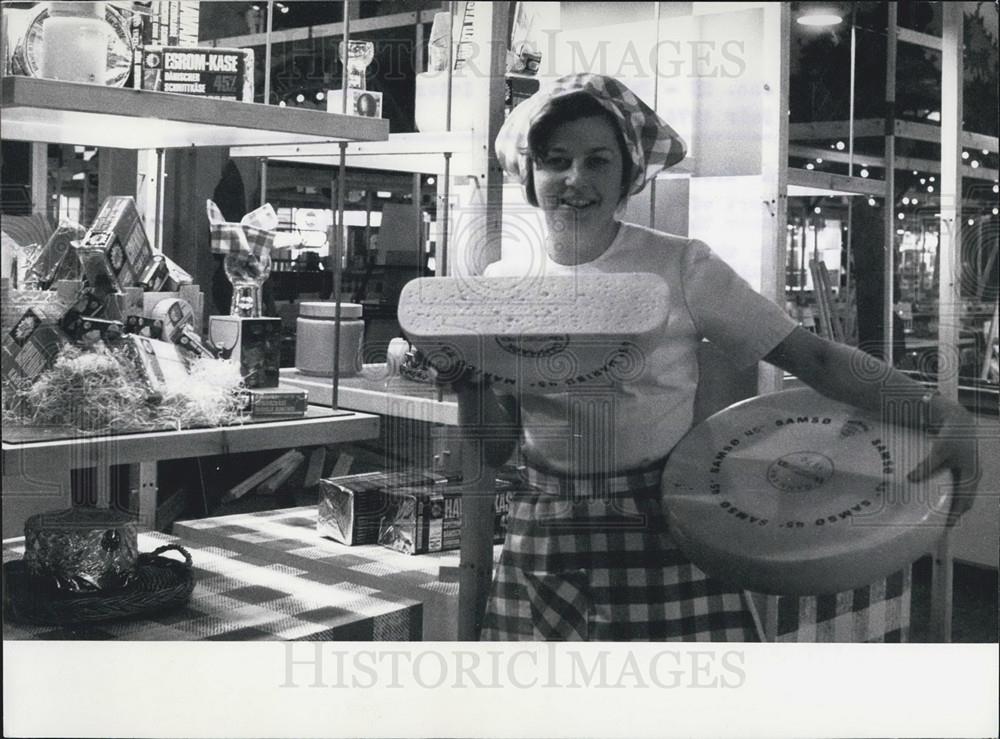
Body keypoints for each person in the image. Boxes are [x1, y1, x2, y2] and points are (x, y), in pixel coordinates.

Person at [459, 73, 980, 641]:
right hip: (544, 530)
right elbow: (494, 447)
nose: (574, 179)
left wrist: (936, 412)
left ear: (629, 174)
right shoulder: (502, 283)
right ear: (530, 174)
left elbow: (814, 358)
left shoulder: (680, 265)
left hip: (662, 522)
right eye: (555, 160)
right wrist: (467, 381)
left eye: (598, 161)